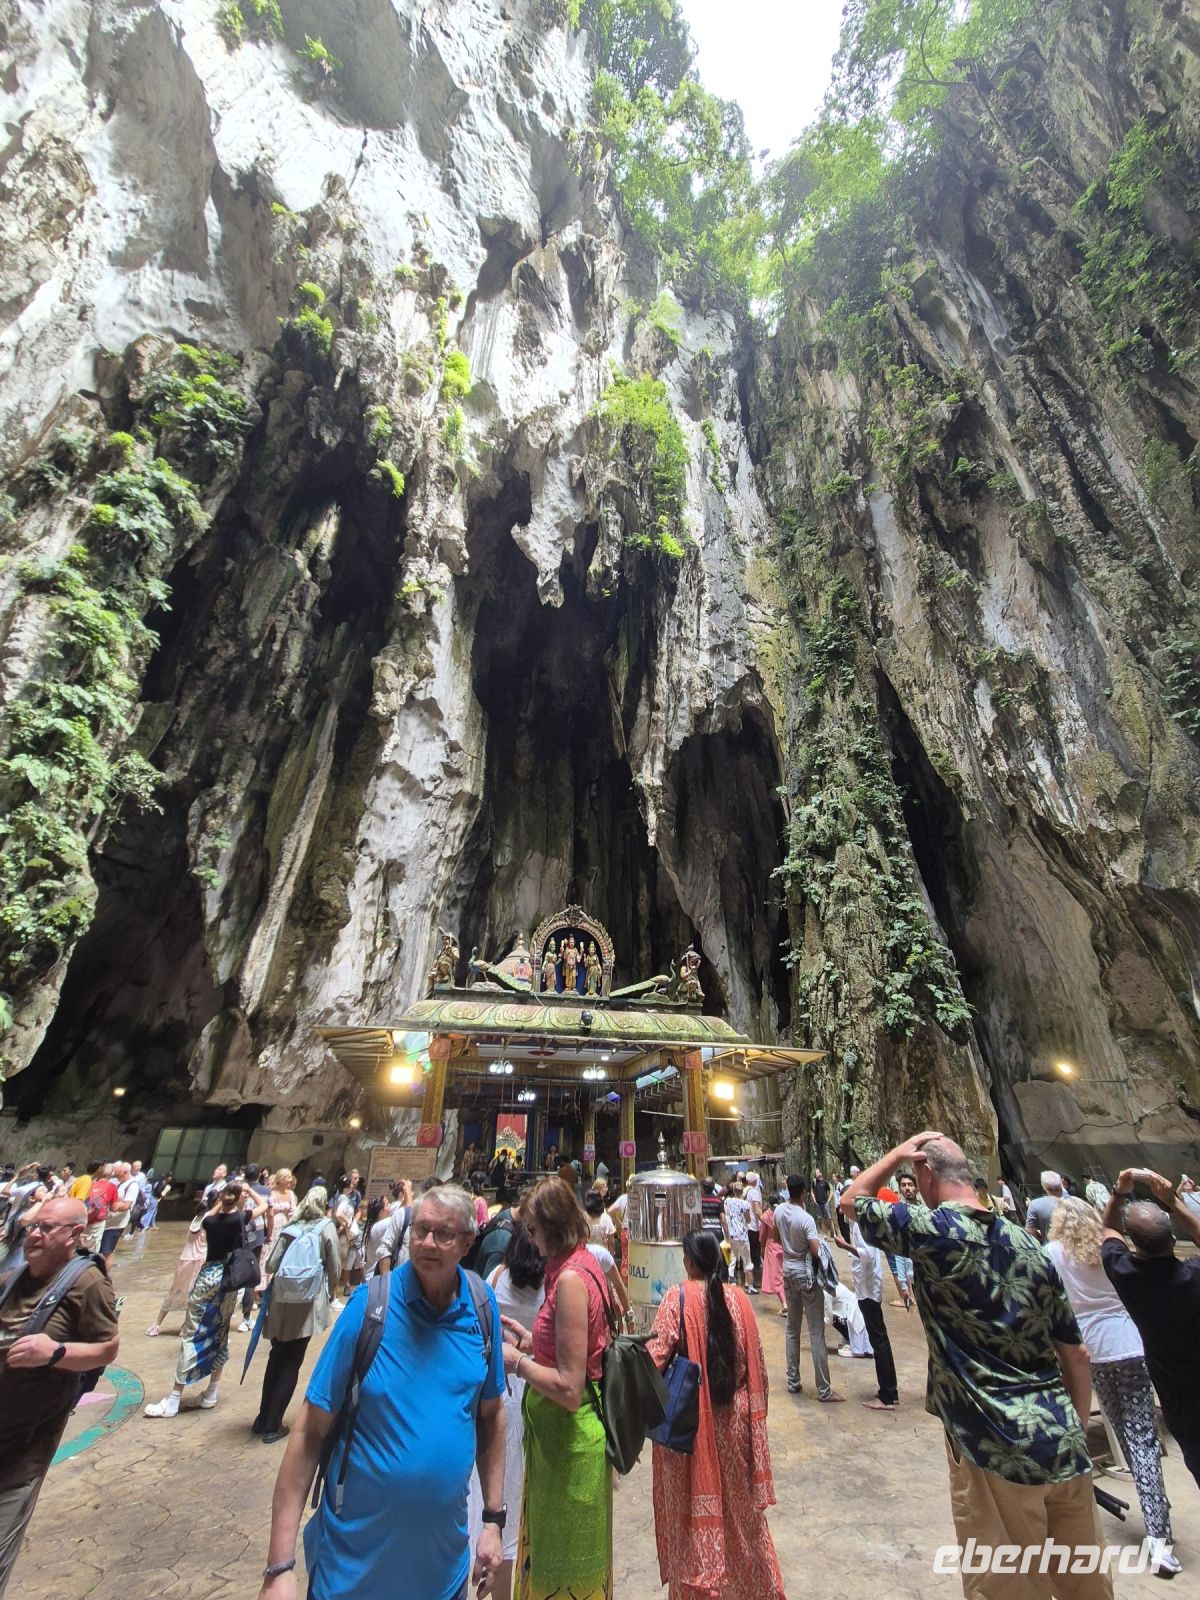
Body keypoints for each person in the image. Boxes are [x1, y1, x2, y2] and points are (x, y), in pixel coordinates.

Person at [843, 1133, 1111, 1600]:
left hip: (992, 1445)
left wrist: (897, 1153)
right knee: (1085, 1585)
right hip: (1064, 1442)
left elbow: (852, 1201)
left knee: (1007, 1584)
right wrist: (1075, 1428)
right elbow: (1076, 1354)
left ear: (925, 1172)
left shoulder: (931, 1231)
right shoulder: (1029, 1246)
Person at [257, 1185, 505, 1600]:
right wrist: (279, 1567)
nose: (427, 1243)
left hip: (442, 1571)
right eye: (421, 1230)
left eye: (443, 1234)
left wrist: (493, 1520)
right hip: (353, 1573)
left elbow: (492, 1415)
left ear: (467, 1242)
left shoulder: (482, 1307)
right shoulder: (370, 1308)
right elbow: (308, 1433)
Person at [645, 1229, 785, 1600]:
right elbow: (760, 1370)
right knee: (742, 1519)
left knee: (689, 1521)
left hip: (691, 1432)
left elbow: (653, 1361)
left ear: (689, 1262)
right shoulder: (740, 1299)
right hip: (736, 1425)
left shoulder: (676, 1299)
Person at [1047, 1196, 1178, 1575]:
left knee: (1127, 1433)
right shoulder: (1107, 1249)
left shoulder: (1052, 1252)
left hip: (1091, 1351)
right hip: (1130, 1344)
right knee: (1138, 1438)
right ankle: (1158, 1516)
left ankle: (1159, 1535)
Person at [498, 1175, 611, 1600]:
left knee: (564, 1577)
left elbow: (568, 1385)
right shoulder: (580, 1265)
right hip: (554, 1445)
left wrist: (519, 1362)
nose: (528, 1238)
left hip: (570, 1446)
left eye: (532, 1229)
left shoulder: (569, 1280)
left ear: (552, 1224)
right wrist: (531, 1341)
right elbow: (573, 1350)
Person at [0, 1197, 119, 1597]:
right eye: (32, 1226)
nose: (34, 1234)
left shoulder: (88, 1284)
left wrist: (55, 1353)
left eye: (47, 1228)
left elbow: (108, 1348)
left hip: (25, 1443)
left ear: (74, 1235)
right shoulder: (14, 1277)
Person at [1101, 1169, 1200, 1494]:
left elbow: (1109, 1229)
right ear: (1172, 1241)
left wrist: (1118, 1193)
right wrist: (1172, 1202)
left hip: (1182, 1404)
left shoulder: (1126, 1275)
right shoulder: (1193, 1274)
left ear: (1133, 1243)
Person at [466, 1224, 546, 1600]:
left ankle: (489, 1573)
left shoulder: (495, 1278)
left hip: (501, 1392)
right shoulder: (556, 1285)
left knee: (496, 1488)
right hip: (540, 1388)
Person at [144, 1182, 248, 1418]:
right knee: (221, 1331)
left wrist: (220, 1202)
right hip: (229, 1280)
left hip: (209, 1277)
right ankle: (211, 1392)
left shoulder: (210, 1221)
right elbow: (260, 1208)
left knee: (192, 1333)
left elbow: (205, 1220)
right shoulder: (240, 1219)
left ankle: (174, 1399)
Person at [253, 1184, 340, 1444]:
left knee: (276, 1356)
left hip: (281, 1300)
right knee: (293, 1359)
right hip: (306, 1302)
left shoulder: (291, 1227)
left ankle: (262, 1418)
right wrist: (329, 1288)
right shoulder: (325, 1227)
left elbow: (270, 1264)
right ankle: (273, 1423)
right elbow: (334, 1265)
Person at [775, 1174, 842, 1402]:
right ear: (803, 1192)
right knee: (815, 1332)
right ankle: (824, 1390)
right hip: (805, 1275)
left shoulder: (779, 1212)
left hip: (788, 1272)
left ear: (787, 1189)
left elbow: (776, 1238)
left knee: (792, 1329)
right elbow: (815, 1250)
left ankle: (793, 1381)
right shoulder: (805, 1219)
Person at [835, 1217, 898, 1411]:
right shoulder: (857, 1224)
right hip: (868, 1288)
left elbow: (868, 1255)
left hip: (869, 1290)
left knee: (878, 1340)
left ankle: (886, 1395)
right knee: (880, 1339)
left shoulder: (862, 1226)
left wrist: (846, 1246)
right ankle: (890, 1391)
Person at [147, 1191, 209, 1336]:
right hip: (199, 1259)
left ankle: (156, 1324)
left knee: (174, 1292)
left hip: (184, 1259)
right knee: (195, 1295)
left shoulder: (195, 1219)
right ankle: (185, 1326)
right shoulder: (208, 1220)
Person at [721, 1180, 756, 1292]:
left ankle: (732, 1282)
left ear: (734, 1191)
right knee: (747, 1261)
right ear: (742, 1192)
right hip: (742, 1235)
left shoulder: (728, 1201)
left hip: (731, 1234)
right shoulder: (745, 1204)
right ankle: (750, 1286)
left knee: (732, 1258)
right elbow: (748, 1219)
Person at [99, 1161, 137, 1262]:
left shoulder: (132, 1185)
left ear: (125, 1171)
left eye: (117, 1171)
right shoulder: (117, 1182)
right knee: (99, 1250)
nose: (114, 1173)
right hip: (106, 1221)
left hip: (116, 1224)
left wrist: (112, 1205)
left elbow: (126, 1205)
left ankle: (105, 1275)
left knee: (107, 1251)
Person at [758, 1194, 786, 1314]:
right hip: (786, 1247)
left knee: (777, 1276)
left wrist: (762, 1248)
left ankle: (785, 1304)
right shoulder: (784, 1213)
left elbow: (762, 1235)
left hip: (772, 1247)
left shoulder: (766, 1216)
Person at [1025, 1170, 1064, 1243]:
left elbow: (1030, 1230)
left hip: (1051, 1250)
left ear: (1044, 1187)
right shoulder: (1076, 1202)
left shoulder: (1035, 1205)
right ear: (1061, 1183)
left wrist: (1042, 1240)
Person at [811, 1167, 831, 1235]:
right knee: (821, 1219)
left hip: (825, 1203)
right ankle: (824, 1234)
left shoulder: (825, 1182)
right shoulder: (814, 1182)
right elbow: (812, 1191)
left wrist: (828, 1200)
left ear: (820, 1173)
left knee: (829, 1218)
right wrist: (814, 1200)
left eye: (817, 1172)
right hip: (818, 1203)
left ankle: (833, 1234)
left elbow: (830, 1191)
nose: (816, 1173)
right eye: (815, 1172)